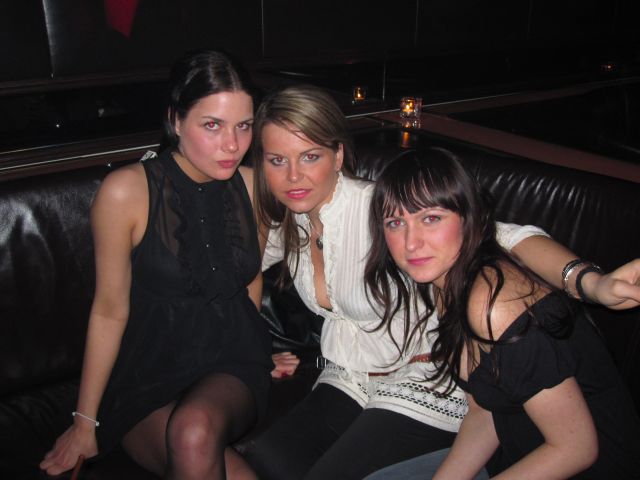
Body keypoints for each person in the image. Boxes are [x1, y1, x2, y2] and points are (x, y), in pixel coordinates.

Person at [239, 84, 639, 480]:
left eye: (310, 156)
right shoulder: (294, 223)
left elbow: (504, 237)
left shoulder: (381, 209)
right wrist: (249, 350)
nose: (293, 175)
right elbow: (240, 267)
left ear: (338, 154)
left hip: (421, 377)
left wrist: (590, 283)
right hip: (350, 375)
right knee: (270, 463)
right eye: (277, 160)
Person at [40, 49, 274, 479]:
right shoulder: (126, 192)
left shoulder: (254, 187)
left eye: (243, 126)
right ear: (175, 120)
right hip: (146, 372)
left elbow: (250, 279)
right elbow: (109, 310)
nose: (232, 144)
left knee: (194, 430)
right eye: (212, 125)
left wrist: (258, 342)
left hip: (229, 365)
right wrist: (84, 421)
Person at [363, 148, 640, 479]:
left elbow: (576, 449)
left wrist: (593, 283)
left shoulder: (495, 304)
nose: (411, 243)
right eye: (395, 223)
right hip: (517, 451)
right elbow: (485, 411)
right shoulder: (445, 284)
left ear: (469, 218)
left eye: (431, 218)